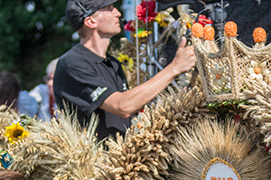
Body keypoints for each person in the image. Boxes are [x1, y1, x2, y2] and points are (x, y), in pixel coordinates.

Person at [54, 0, 196, 141]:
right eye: (109, 8)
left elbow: (128, 112)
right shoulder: (72, 63)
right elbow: (123, 106)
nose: (118, 13)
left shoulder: (113, 63)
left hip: (123, 160)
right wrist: (174, 68)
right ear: (91, 22)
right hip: (96, 162)